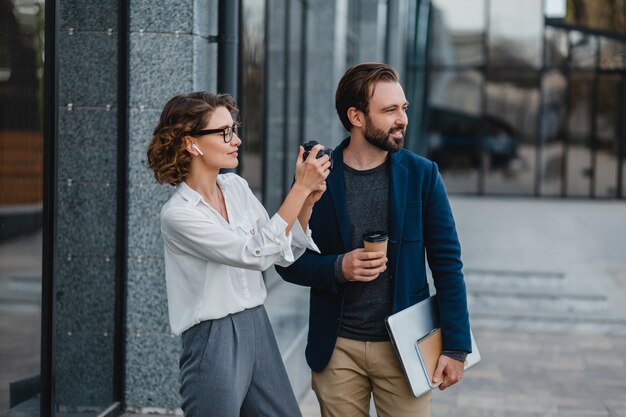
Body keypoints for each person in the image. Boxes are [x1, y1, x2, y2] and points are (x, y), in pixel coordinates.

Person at [276, 63, 472, 417]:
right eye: (389, 110)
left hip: (407, 349)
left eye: (404, 108)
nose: (402, 119)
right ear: (357, 116)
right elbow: (287, 262)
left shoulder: (423, 175)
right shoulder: (318, 174)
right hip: (337, 350)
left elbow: (447, 264)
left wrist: (456, 346)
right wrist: (339, 267)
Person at [146, 91, 330, 417]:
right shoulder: (179, 215)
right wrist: (298, 189)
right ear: (192, 143)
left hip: (257, 324)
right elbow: (255, 254)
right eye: (225, 132)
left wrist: (306, 204)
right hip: (212, 338)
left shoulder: (235, 187)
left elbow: (282, 252)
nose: (237, 140)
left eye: (234, 129)